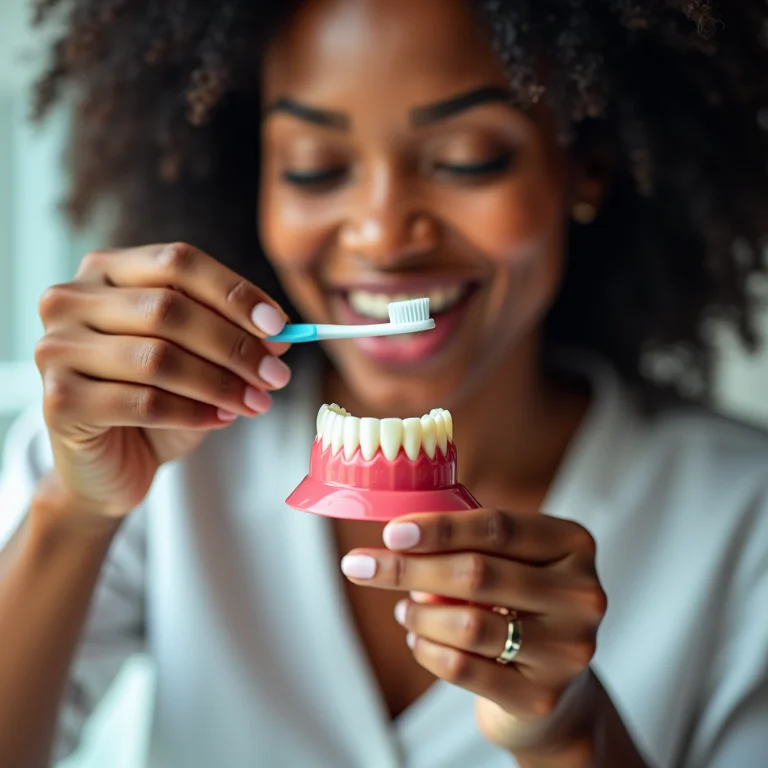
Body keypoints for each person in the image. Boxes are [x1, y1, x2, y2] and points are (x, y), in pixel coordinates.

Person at [1, 0, 767, 765]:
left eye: (467, 158)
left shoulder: (743, 517)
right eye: (315, 167)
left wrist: (570, 735)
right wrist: (73, 511)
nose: (383, 234)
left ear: (585, 167)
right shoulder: (145, 440)